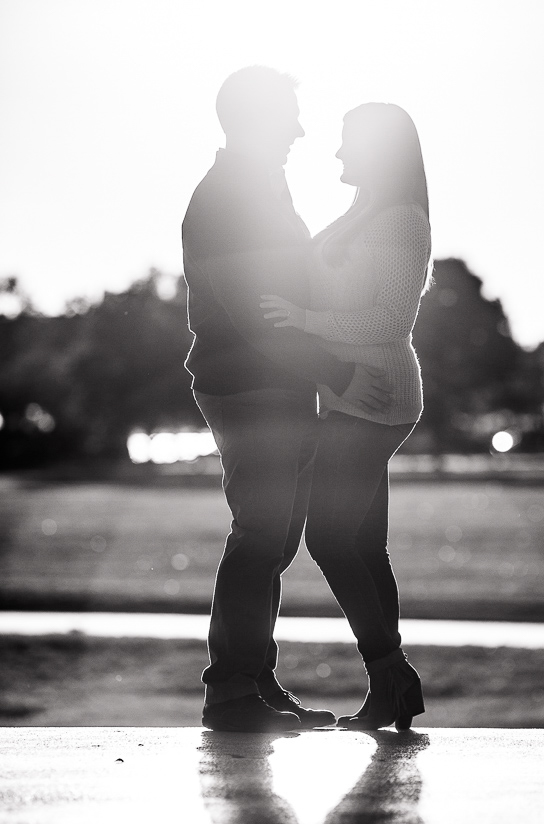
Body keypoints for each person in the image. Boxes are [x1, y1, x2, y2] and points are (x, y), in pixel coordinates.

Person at [182, 68, 392, 733]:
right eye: (289, 116)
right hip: (253, 388)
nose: (300, 130)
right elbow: (257, 313)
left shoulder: (258, 190)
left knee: (271, 541)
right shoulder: (229, 197)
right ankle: (231, 691)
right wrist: (334, 370)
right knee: (260, 536)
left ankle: (254, 682)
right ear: (256, 119)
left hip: (278, 386)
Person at [260, 103, 432, 730]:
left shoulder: (399, 222)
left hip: (375, 395)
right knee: (363, 544)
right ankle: (391, 690)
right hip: (353, 393)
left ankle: (393, 673)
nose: (337, 155)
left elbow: (388, 322)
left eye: (349, 145)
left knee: (329, 539)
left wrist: (304, 321)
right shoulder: (366, 211)